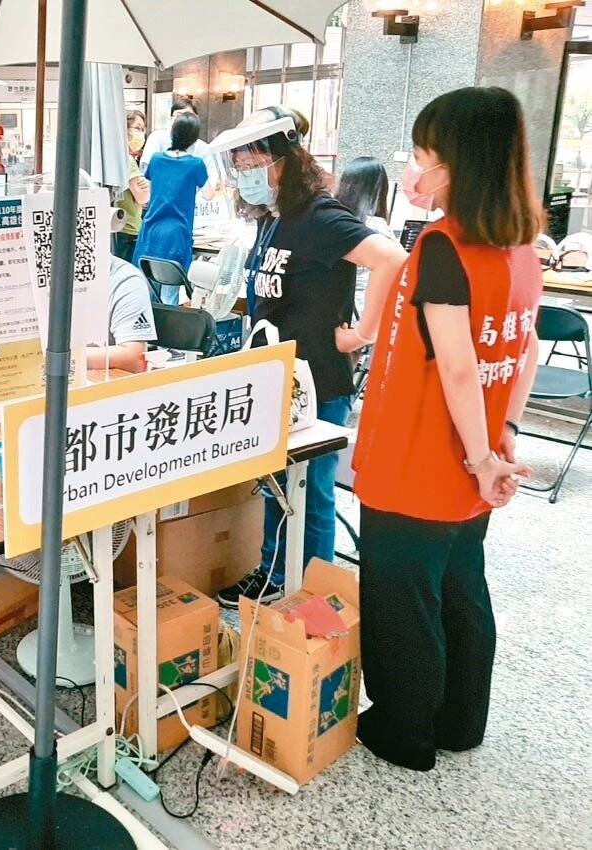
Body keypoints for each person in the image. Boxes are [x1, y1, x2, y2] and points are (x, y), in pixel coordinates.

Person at [348, 87, 541, 772]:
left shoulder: (441, 247)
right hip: (475, 463)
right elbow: (527, 350)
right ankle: (460, 722)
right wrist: (502, 437)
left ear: (458, 163)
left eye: (424, 157)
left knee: (402, 599)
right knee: (460, 587)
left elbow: (457, 368)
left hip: (419, 458)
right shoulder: (522, 247)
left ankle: (405, 732)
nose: (413, 171)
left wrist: (484, 452)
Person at [211, 106, 407, 609]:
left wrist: (362, 333)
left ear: (283, 161)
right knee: (279, 483)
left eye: (251, 165)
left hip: (318, 378)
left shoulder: (320, 215)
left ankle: (313, 591)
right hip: (277, 377)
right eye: (239, 167)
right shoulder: (273, 218)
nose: (245, 176)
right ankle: (275, 572)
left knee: (314, 491)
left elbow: (392, 259)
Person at [131, 112, 218, 305]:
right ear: (194, 138)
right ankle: (166, 333)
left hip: (150, 230)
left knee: (144, 291)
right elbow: (208, 194)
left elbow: (150, 184)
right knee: (169, 296)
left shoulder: (156, 159)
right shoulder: (196, 164)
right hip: (177, 234)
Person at [335, 156, 396, 315]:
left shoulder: (336, 222)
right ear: (380, 189)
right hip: (365, 315)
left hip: (336, 311)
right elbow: (398, 266)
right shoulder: (376, 227)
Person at [86, 257, 157, 373]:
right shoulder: (50, 270)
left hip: (101, 382)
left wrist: (63, 357)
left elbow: (134, 357)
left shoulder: (125, 280)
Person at [139, 96, 215, 178]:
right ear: (171, 119)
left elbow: (211, 177)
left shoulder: (203, 148)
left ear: (196, 119)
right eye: (178, 115)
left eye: (188, 116)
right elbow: (147, 170)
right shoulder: (157, 138)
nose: (183, 120)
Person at [113, 110, 150, 263]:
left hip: (119, 226)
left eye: (142, 129)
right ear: (125, 129)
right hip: (129, 228)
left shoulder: (115, 155)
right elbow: (143, 197)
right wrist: (147, 188)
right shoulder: (128, 160)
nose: (141, 134)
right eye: (137, 128)